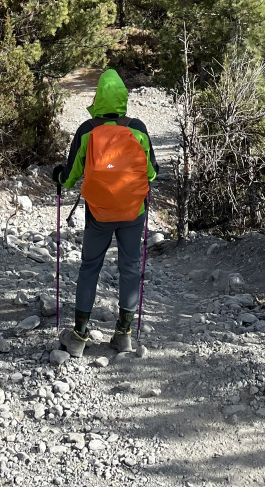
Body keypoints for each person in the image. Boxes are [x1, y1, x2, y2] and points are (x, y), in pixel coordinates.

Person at [52, 68, 158, 358]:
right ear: (123, 98)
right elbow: (151, 172)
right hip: (133, 211)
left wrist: (59, 179)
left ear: (98, 98)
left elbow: (71, 175)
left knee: (89, 268)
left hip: (99, 213)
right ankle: (123, 336)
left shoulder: (88, 130)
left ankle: (78, 337)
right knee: (130, 268)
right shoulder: (138, 128)